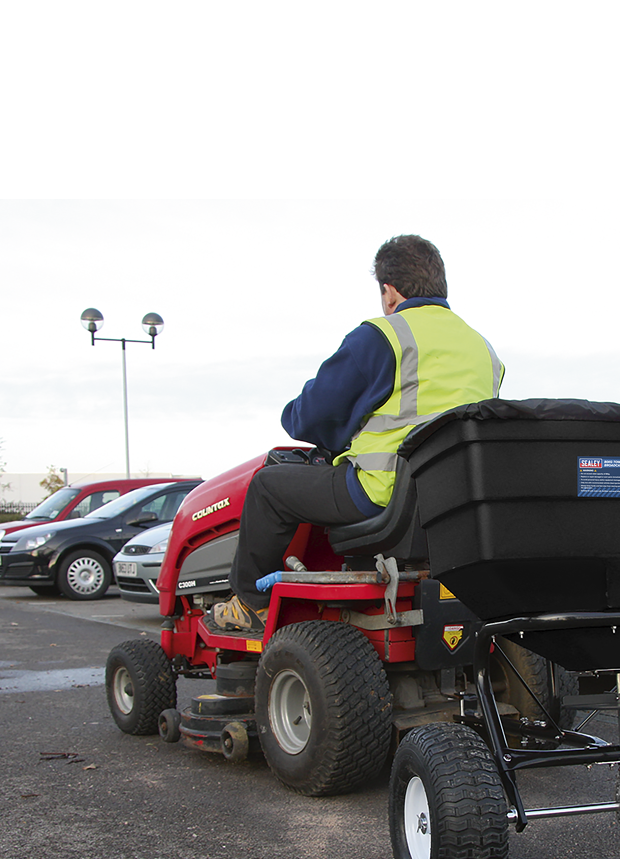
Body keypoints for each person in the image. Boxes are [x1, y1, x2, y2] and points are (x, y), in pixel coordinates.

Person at [214, 234, 505, 635]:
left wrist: (301, 419)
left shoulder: (384, 336)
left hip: (379, 492)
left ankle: (250, 603)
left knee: (267, 488)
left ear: (389, 292)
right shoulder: (484, 350)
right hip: (450, 504)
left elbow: (312, 417)